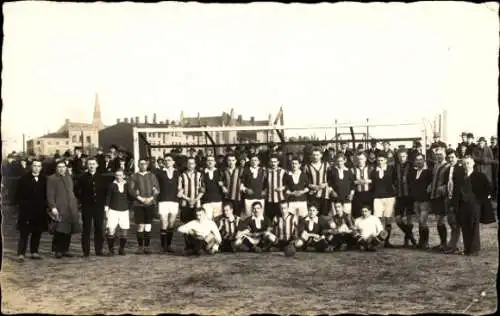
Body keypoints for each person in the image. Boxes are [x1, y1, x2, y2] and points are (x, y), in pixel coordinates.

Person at [456, 156, 494, 256]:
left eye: (468, 163)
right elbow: (457, 191)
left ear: (473, 164)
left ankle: (474, 249)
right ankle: (467, 248)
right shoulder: (460, 176)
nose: (466, 165)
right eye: (464, 163)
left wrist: (481, 200)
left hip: (475, 204)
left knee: (473, 226)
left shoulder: (480, 176)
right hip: (463, 205)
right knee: (465, 226)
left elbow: (489, 189)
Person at [47, 161, 81, 259]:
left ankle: (65, 249)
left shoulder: (68, 177)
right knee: (59, 229)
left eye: (63, 167)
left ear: (66, 168)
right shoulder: (51, 179)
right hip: (59, 207)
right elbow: (50, 194)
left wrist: (75, 203)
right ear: (56, 168)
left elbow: (72, 191)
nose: (61, 169)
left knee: (68, 229)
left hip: (71, 207)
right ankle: (57, 250)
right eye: (59, 167)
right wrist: (53, 207)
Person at [15, 159, 48, 261]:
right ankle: (21, 253)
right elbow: (17, 195)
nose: (36, 168)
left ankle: (34, 252)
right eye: (34, 166)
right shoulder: (23, 179)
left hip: (39, 210)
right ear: (31, 167)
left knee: (37, 231)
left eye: (38, 166)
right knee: (24, 233)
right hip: (26, 210)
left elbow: (46, 195)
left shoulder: (44, 179)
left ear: (41, 168)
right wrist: (22, 206)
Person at [75, 158, 108, 257]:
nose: (91, 166)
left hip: (99, 206)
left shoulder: (102, 178)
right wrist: (82, 199)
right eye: (89, 164)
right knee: (86, 229)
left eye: (93, 164)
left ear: (97, 165)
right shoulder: (82, 178)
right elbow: (76, 190)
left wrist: (105, 204)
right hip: (87, 206)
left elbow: (106, 192)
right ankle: (86, 251)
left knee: (99, 228)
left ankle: (99, 250)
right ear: (87, 165)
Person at [128, 158, 160, 254]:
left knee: (148, 226)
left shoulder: (152, 176)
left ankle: (147, 246)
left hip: (150, 203)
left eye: (144, 164)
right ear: (138, 165)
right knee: (140, 225)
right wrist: (140, 198)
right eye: (141, 164)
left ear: (147, 165)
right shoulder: (134, 176)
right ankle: (140, 247)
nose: (143, 166)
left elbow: (157, 189)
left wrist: (151, 198)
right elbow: (131, 190)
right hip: (139, 204)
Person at [153, 154, 180, 253]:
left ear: (173, 162)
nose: (167, 162)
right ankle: (163, 246)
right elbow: (155, 185)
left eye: (169, 160)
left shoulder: (178, 173)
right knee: (164, 222)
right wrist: (154, 190)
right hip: (163, 200)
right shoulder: (159, 172)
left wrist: (181, 191)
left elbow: (181, 185)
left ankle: (169, 245)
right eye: (165, 160)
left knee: (171, 223)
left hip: (174, 200)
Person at [178, 157, 204, 251]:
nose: (190, 165)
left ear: (195, 165)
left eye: (192, 163)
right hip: (186, 203)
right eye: (189, 163)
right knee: (186, 225)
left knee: (197, 224)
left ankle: (196, 246)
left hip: (197, 204)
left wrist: (196, 199)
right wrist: (188, 199)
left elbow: (202, 189)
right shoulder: (182, 175)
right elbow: (180, 191)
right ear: (186, 164)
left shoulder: (200, 175)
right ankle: (188, 246)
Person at [443, 150, 465, 254]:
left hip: (456, 200)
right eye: (449, 158)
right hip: (448, 197)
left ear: (457, 158)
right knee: (451, 222)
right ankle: (453, 244)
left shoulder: (460, 169)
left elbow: (459, 188)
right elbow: (445, 183)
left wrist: (454, 203)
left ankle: (454, 246)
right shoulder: (447, 170)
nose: (451, 159)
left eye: (452, 157)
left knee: (455, 223)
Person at [408, 153, 433, 249]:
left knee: (423, 220)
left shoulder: (428, 172)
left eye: (420, 159)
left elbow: (431, 184)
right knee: (420, 221)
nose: (418, 161)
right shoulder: (413, 172)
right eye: (417, 160)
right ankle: (421, 242)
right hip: (416, 200)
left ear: (424, 161)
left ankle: (426, 242)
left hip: (425, 200)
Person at [104, 169, 130, 255]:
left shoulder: (127, 185)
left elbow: (132, 195)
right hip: (113, 210)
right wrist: (106, 209)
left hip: (124, 211)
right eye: (117, 175)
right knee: (111, 230)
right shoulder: (112, 185)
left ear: (124, 176)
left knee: (124, 231)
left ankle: (121, 249)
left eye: (120, 175)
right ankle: (111, 250)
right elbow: (108, 197)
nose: (118, 177)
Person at [394, 150, 417, 247]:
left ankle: (406, 241)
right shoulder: (395, 166)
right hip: (399, 195)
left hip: (409, 195)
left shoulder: (411, 165)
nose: (402, 158)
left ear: (406, 156)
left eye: (403, 156)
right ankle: (411, 237)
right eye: (400, 156)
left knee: (409, 218)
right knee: (398, 219)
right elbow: (393, 179)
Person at [429, 149, 449, 251]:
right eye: (437, 155)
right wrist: (430, 186)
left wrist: (444, 188)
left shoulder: (447, 166)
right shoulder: (436, 166)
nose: (439, 156)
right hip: (435, 195)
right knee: (438, 220)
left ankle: (444, 243)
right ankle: (442, 243)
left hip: (442, 196)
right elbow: (433, 179)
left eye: (441, 154)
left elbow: (449, 181)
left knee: (441, 219)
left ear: (445, 155)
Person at [304, 148, 332, 217]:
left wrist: (325, 184)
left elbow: (331, 178)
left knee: (324, 215)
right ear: (311, 156)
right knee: (313, 216)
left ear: (321, 155)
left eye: (317, 155)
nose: (315, 157)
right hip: (312, 194)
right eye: (313, 155)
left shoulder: (326, 165)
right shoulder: (307, 166)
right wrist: (312, 186)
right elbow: (304, 181)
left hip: (324, 194)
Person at [240, 155, 267, 219]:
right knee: (249, 216)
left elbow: (267, 183)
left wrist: (265, 191)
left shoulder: (263, 171)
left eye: (256, 160)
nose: (254, 162)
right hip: (249, 198)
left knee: (260, 216)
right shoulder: (245, 170)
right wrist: (246, 189)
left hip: (260, 197)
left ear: (259, 162)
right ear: (250, 162)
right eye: (252, 160)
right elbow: (241, 183)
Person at [351, 152, 374, 219]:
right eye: (358, 159)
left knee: (369, 214)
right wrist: (357, 182)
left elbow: (375, 180)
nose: (359, 161)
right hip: (358, 194)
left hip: (369, 194)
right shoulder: (353, 169)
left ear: (365, 159)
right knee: (358, 214)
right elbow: (350, 182)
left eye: (361, 159)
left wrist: (368, 181)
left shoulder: (371, 169)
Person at [200, 155, 224, 220]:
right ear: (206, 162)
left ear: (215, 162)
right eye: (208, 160)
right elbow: (200, 185)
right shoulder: (202, 173)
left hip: (218, 200)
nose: (210, 162)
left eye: (212, 160)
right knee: (207, 220)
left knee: (218, 220)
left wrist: (223, 185)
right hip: (206, 200)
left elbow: (225, 185)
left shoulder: (220, 172)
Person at [221, 153, 244, 217]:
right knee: (227, 215)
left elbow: (244, 180)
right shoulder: (223, 170)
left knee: (237, 215)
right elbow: (220, 180)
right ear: (227, 161)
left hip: (237, 197)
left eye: (233, 160)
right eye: (229, 160)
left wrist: (242, 185)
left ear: (236, 161)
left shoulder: (240, 170)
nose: (231, 162)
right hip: (227, 197)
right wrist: (223, 187)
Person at [264, 155, 287, 221]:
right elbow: (264, 183)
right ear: (269, 163)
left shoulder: (283, 171)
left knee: (280, 218)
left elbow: (288, 184)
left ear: (278, 162)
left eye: (275, 162)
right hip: (269, 199)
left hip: (280, 199)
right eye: (271, 162)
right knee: (269, 218)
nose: (273, 163)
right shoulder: (266, 171)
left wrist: (282, 188)